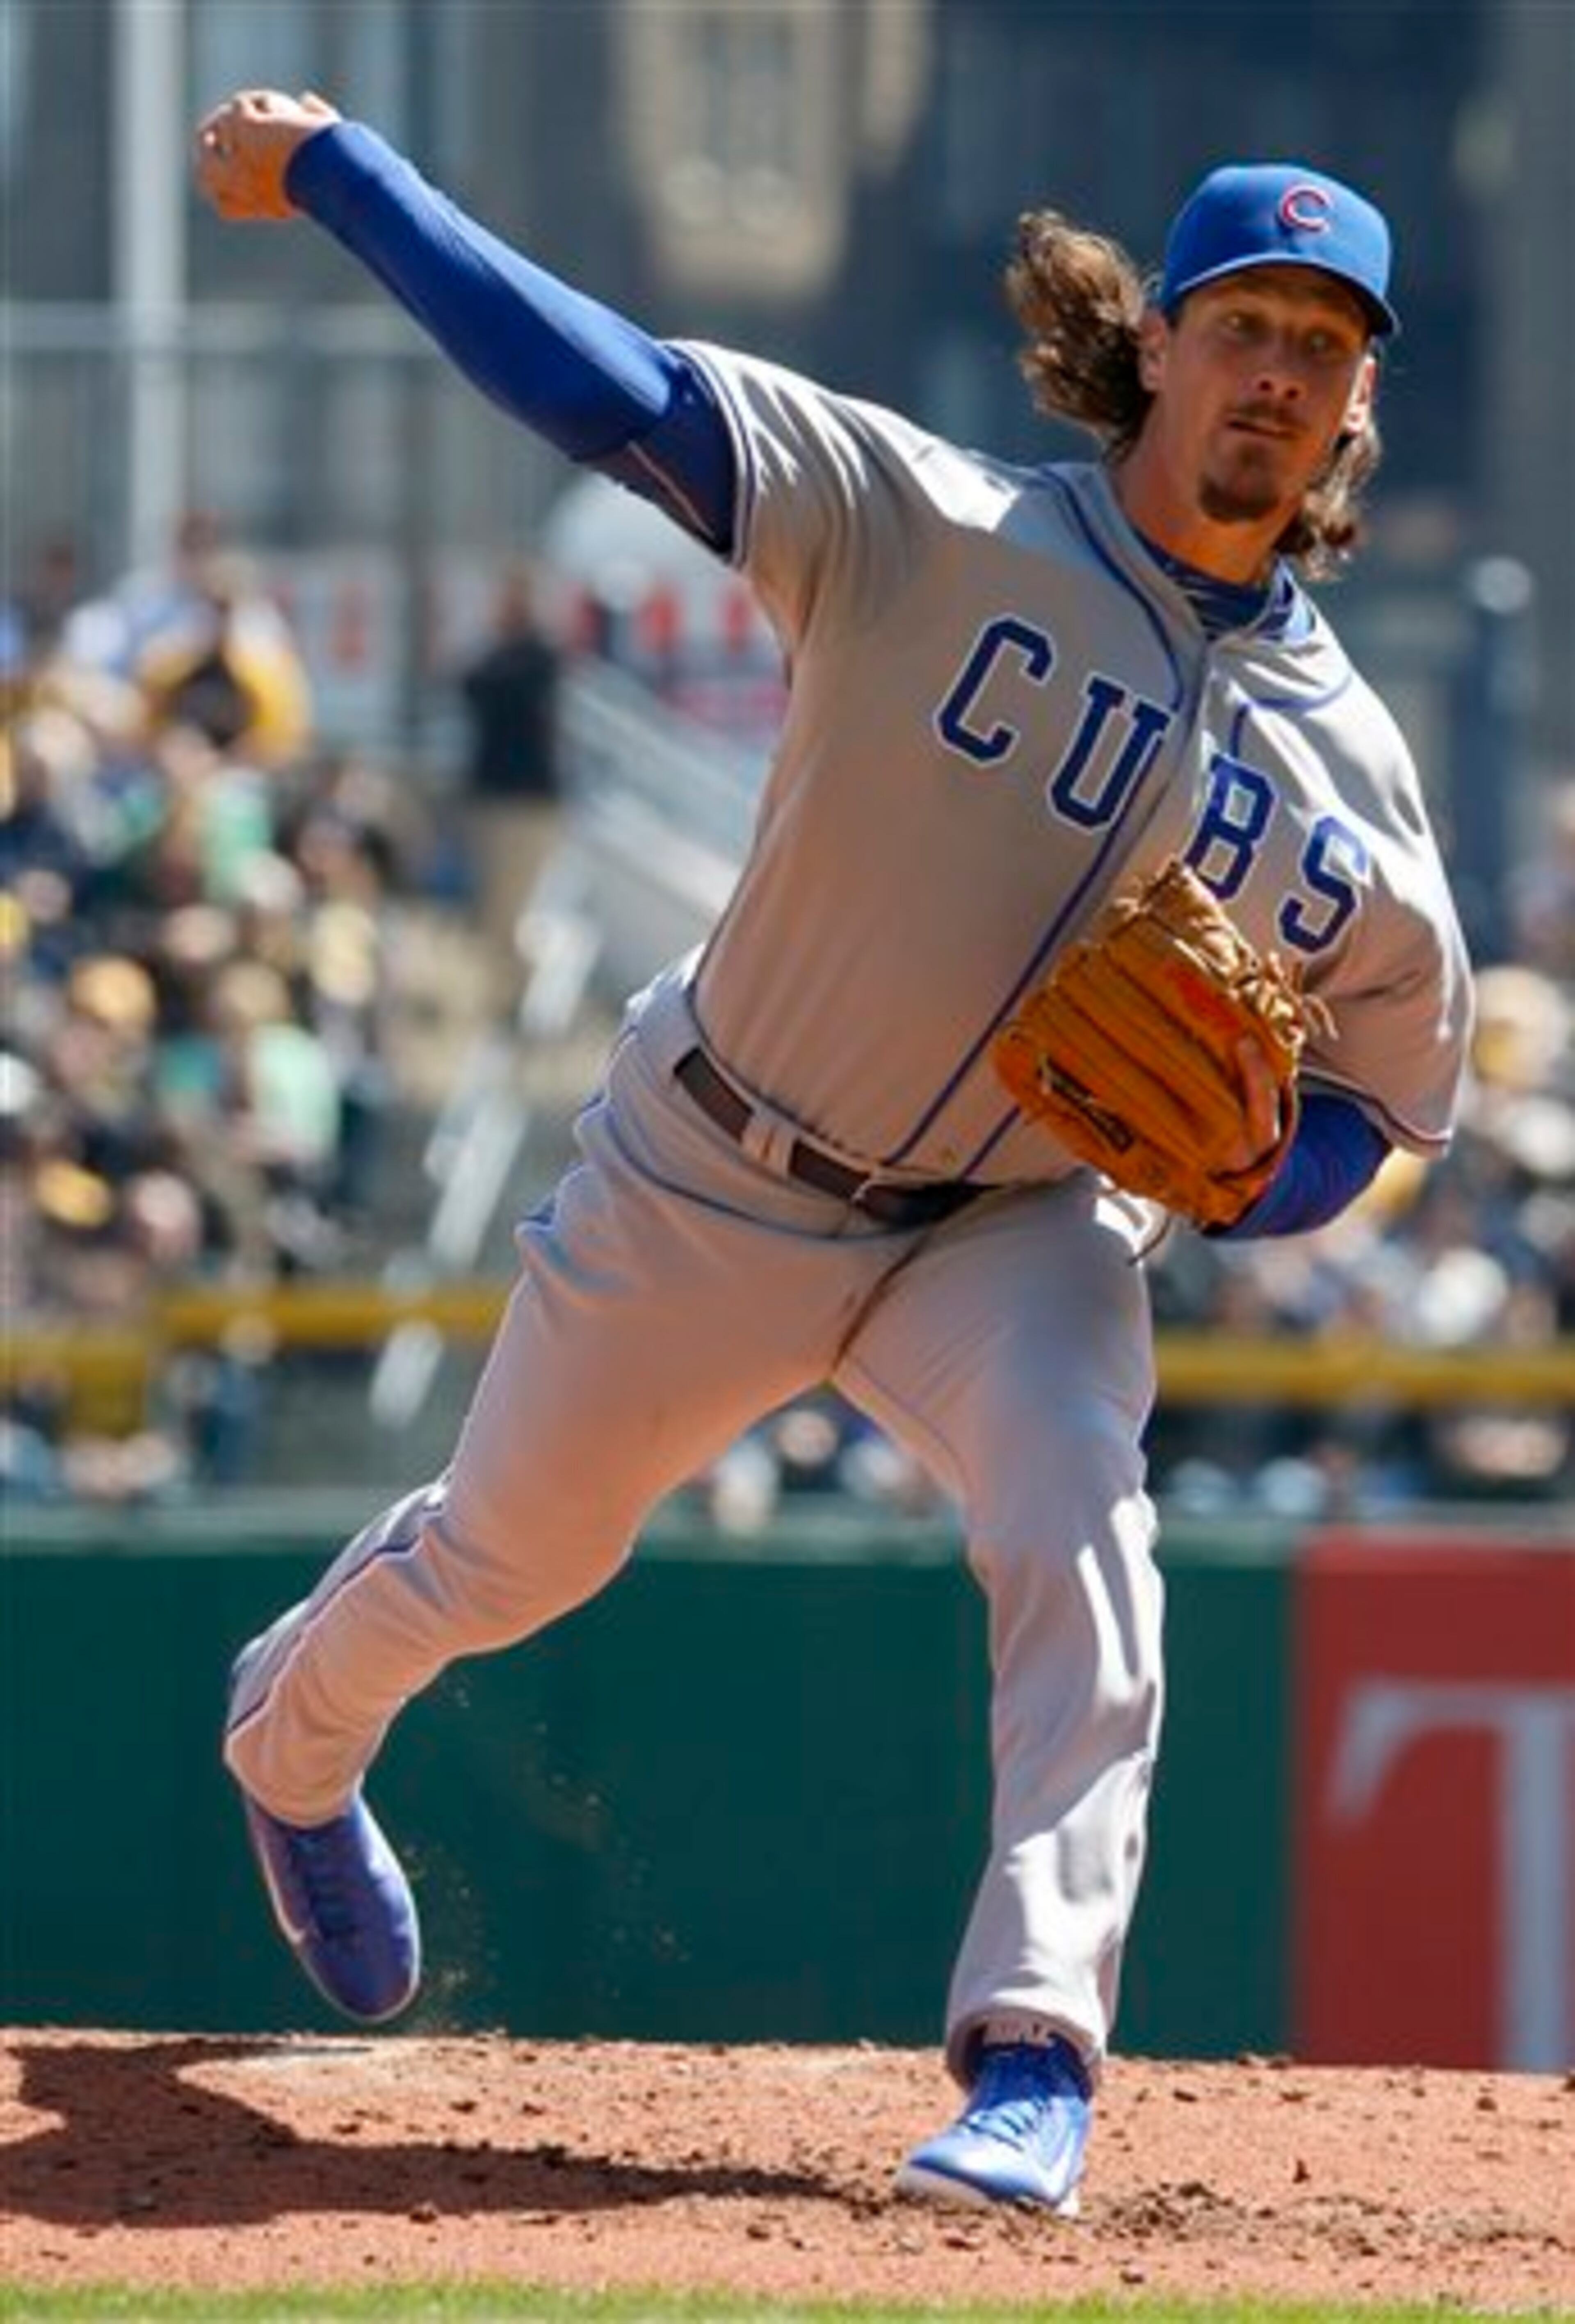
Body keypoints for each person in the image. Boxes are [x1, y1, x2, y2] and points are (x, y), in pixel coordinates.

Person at [195, 90, 1472, 2214]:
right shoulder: (931, 518)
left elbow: (1382, 1100)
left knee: (1086, 1521)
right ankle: (289, 1741)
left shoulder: (1358, 777)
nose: (1281, 371)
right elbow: (604, 384)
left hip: (1016, 1229)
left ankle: (1034, 2051)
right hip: (712, 1165)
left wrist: (1266, 1185)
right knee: (512, 1559)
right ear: (1155, 340)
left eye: (1326, 344)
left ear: (1358, 402)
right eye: (1248, 320)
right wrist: (348, 177)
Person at [452, 560, 563, 1015]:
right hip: (491, 798)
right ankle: (505, 1003)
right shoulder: (495, 655)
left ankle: (527, 995)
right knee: (491, 916)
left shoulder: (540, 656)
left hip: (528, 804)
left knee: (511, 912)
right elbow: (469, 685)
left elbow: (499, 690)